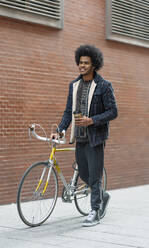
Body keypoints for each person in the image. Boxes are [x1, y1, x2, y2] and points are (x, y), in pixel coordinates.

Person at [51, 44, 118, 227]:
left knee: (95, 176)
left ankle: (95, 210)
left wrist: (92, 120)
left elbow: (113, 112)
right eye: (80, 62)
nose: (82, 65)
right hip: (79, 137)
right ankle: (102, 195)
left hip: (95, 138)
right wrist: (60, 130)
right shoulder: (74, 85)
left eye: (86, 63)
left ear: (94, 64)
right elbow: (67, 112)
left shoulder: (104, 86)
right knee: (84, 173)